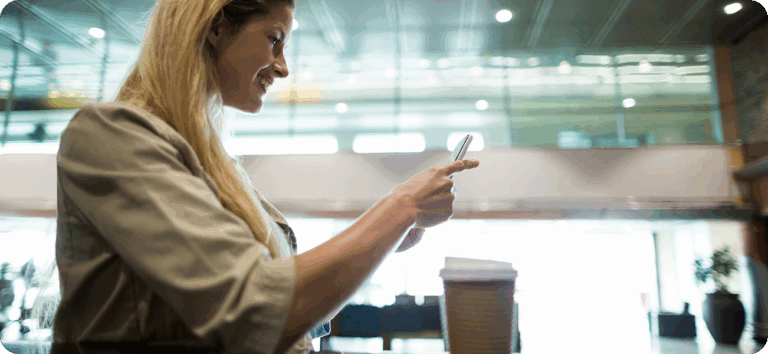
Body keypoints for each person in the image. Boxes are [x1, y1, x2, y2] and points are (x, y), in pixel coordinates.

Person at [41, 0, 480, 354]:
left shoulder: (214, 162)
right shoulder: (114, 135)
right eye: (273, 39)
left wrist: (387, 234)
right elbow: (254, 311)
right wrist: (398, 208)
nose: (283, 66)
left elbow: (287, 305)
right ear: (214, 26)